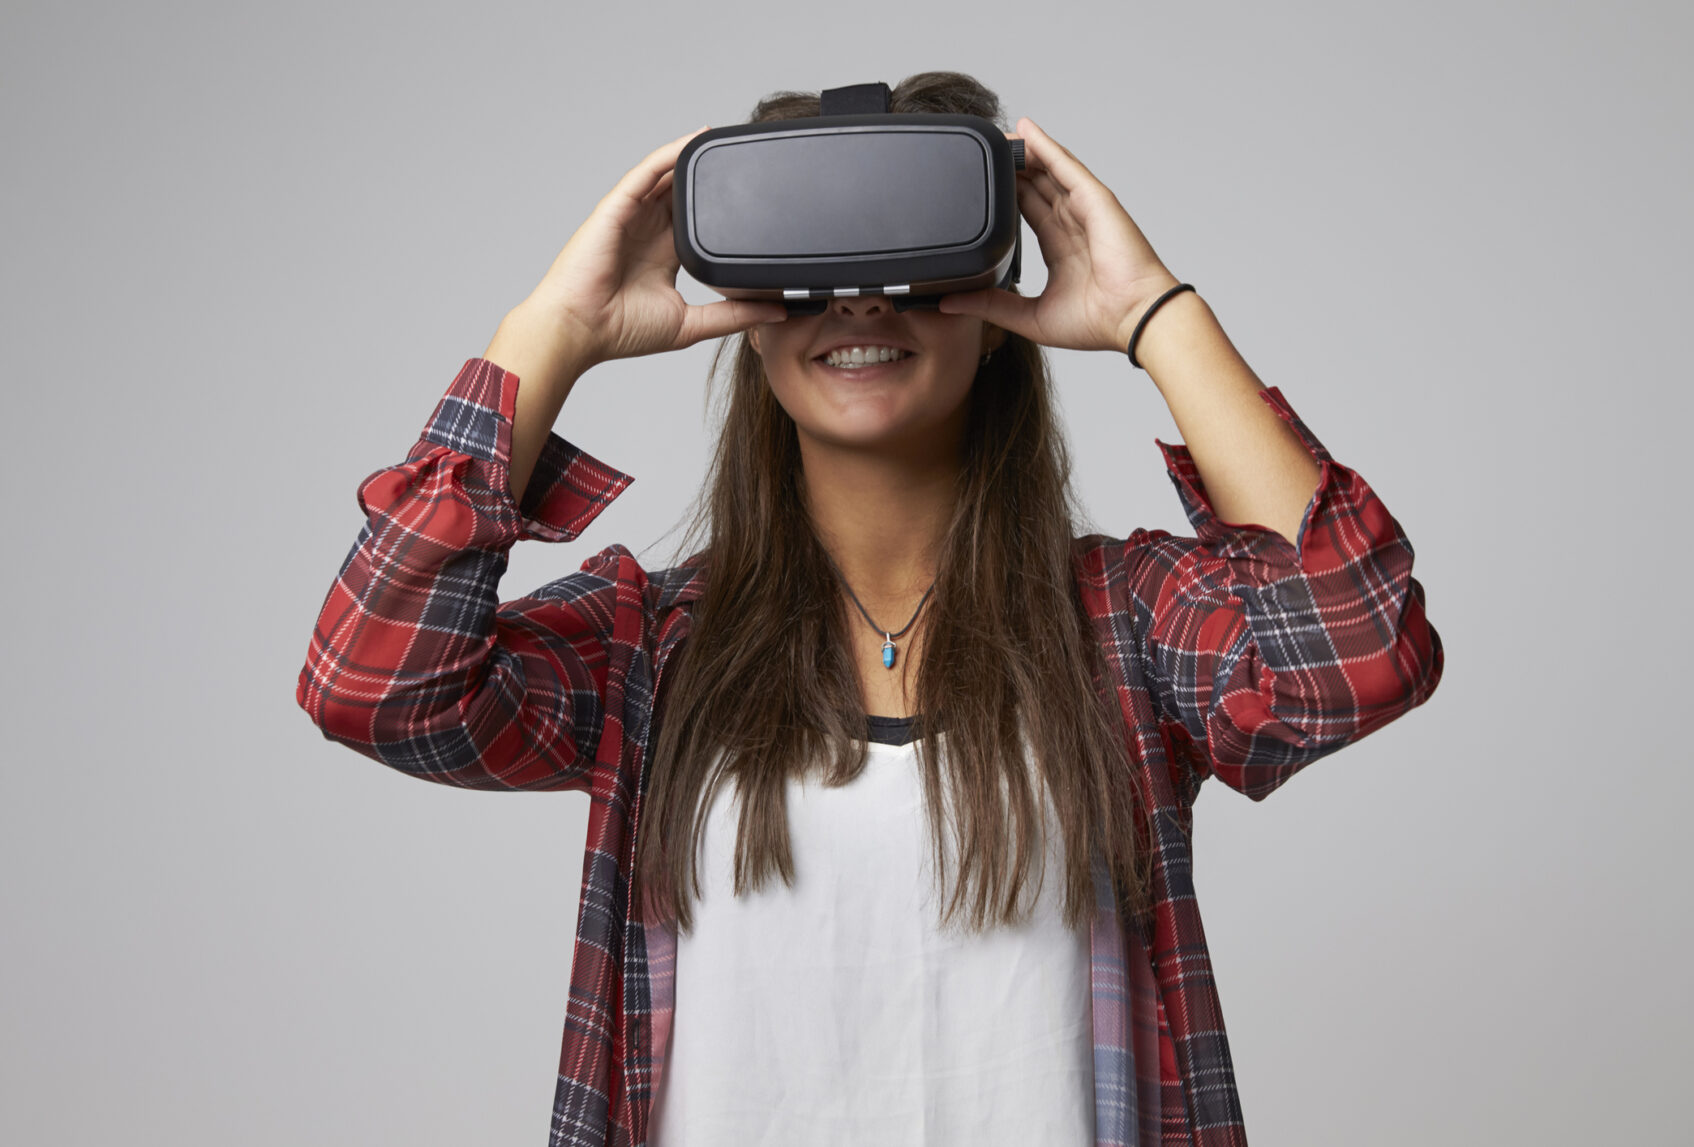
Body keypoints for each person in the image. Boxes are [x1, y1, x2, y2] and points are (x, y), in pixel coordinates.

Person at [297, 72, 1442, 1147]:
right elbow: (375, 684)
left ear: (994, 304)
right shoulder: (650, 644)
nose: (856, 299)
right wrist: (548, 332)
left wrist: (1153, 312)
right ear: (750, 313)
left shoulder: (1123, 625)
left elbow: (1355, 656)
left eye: (910, 262)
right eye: (806, 267)